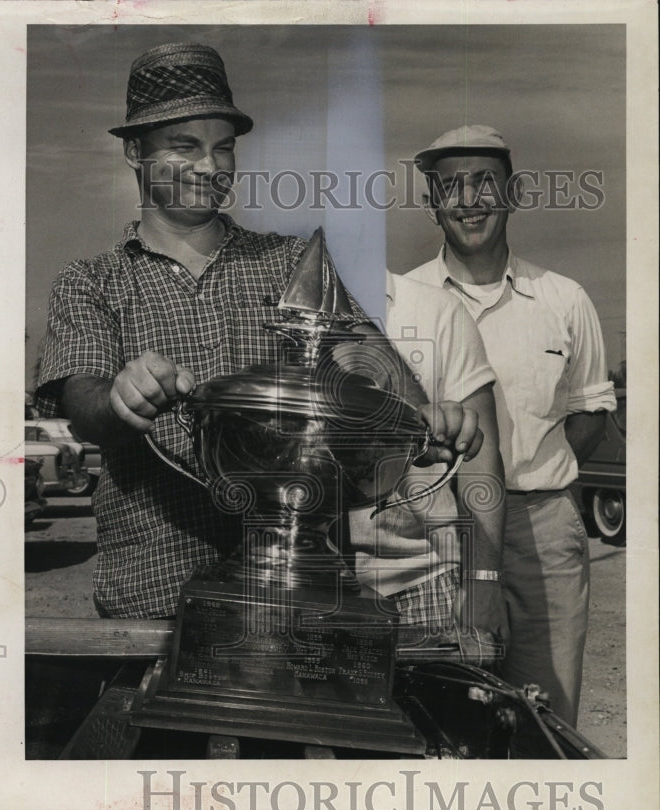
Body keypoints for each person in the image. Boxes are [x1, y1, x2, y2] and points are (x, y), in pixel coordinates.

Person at [34, 43, 486, 622]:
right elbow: (83, 404)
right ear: (134, 151)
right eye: (184, 146)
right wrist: (120, 399)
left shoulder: (290, 261)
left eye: (223, 148)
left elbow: (372, 363)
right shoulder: (92, 281)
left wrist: (428, 418)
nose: (210, 167)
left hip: (299, 594)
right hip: (152, 594)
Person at [406, 124, 616, 724]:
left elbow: (591, 413)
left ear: (514, 192)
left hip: (541, 530)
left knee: (542, 718)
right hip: (432, 529)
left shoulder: (564, 298)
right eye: (451, 187)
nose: (468, 201)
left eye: (484, 183)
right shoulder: (404, 302)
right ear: (431, 204)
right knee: (438, 712)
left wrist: (532, 473)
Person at [348, 272, 507, 653]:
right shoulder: (266, 304)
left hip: (424, 582)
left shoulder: (437, 308)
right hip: (308, 583)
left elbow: (479, 453)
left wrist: (483, 579)